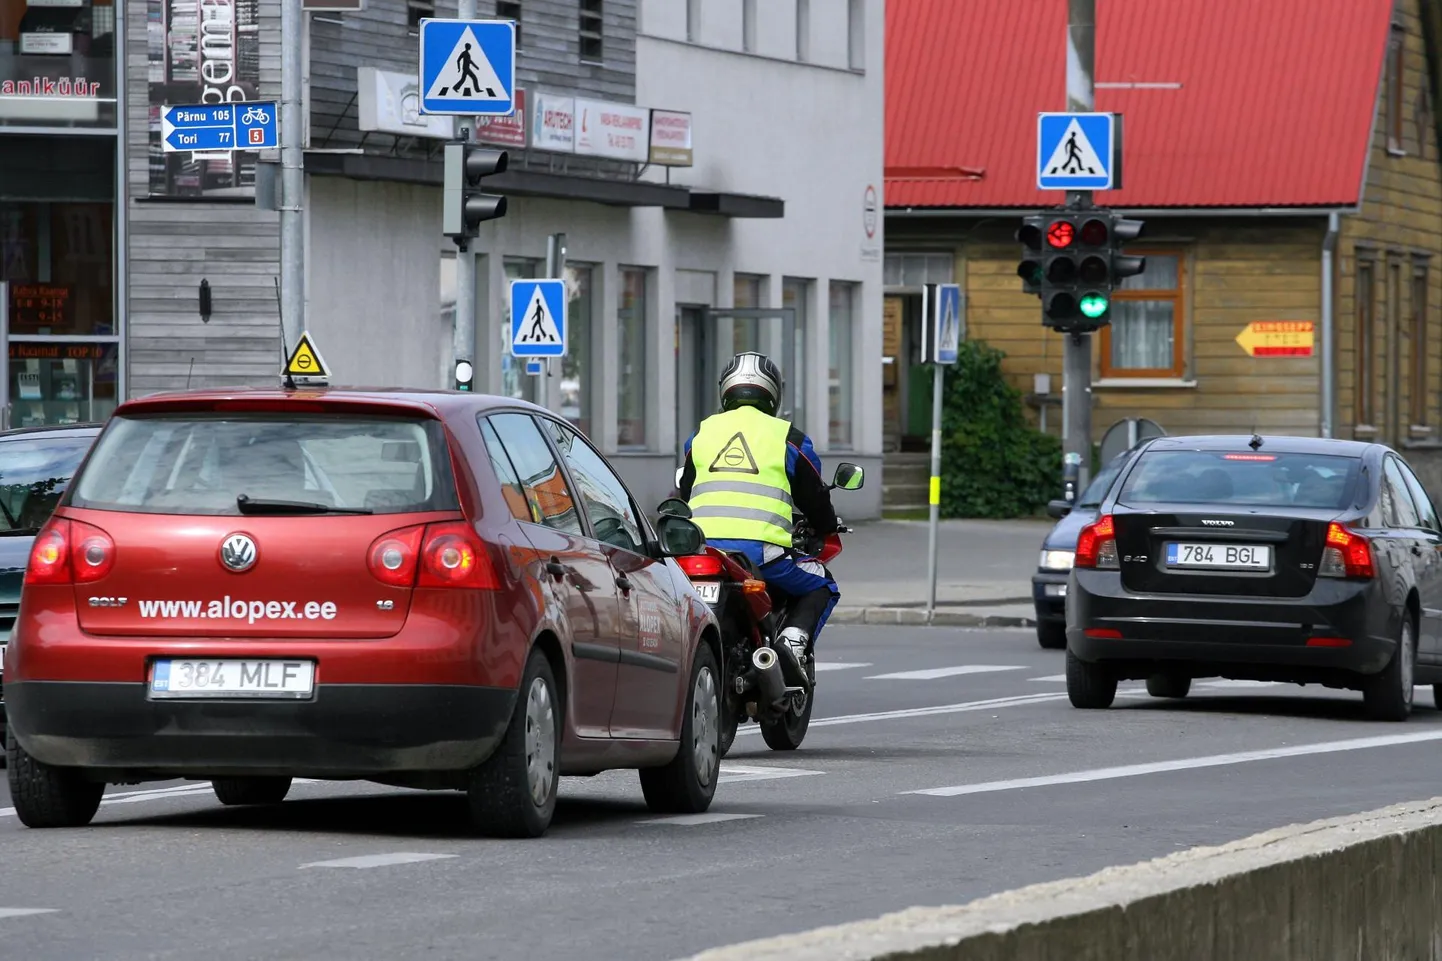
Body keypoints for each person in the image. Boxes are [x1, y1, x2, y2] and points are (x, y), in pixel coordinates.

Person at [677, 352, 840, 678]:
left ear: (725, 391)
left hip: (702, 553)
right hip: (761, 555)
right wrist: (825, 526)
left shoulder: (701, 435)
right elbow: (814, 495)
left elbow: (686, 489)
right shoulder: (789, 438)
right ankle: (792, 643)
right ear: (773, 394)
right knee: (822, 586)